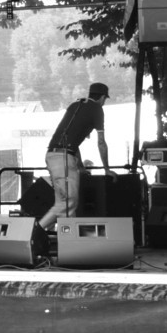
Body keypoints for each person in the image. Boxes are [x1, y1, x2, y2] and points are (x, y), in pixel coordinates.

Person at [38, 82, 111, 231]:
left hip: (53, 155)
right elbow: (101, 143)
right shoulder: (96, 109)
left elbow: (71, 138)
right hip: (64, 158)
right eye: (105, 99)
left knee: (64, 205)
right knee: (69, 203)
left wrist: (80, 167)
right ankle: (35, 231)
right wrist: (107, 169)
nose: (104, 102)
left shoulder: (75, 106)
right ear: (102, 97)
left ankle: (68, 242)